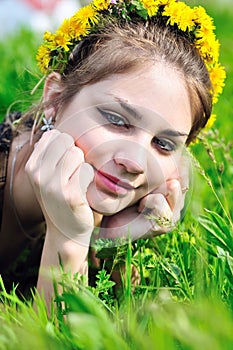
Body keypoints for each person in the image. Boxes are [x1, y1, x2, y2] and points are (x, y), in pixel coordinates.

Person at [0, 0, 225, 306]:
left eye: (163, 144)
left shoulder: (99, 212)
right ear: (54, 100)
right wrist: (68, 237)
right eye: (116, 120)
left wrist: (111, 251)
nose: (135, 162)